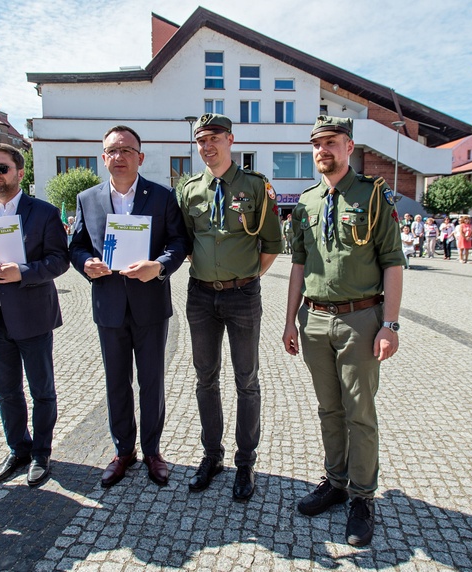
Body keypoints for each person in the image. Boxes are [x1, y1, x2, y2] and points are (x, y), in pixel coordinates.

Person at [282, 116, 404, 547]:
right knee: (329, 410)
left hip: (360, 319)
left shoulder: (372, 197)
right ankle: (335, 482)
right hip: (314, 320)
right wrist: (289, 319)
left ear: (349, 147)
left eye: (331, 143)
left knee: (359, 411)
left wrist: (389, 324)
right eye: (317, 144)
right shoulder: (307, 202)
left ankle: (362, 497)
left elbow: (392, 262)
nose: (323, 151)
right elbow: (298, 263)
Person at [69, 126, 188, 488]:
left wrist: (160, 266)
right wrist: (85, 263)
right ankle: (124, 451)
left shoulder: (162, 196)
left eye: (126, 150)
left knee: (151, 381)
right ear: (103, 157)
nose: (118, 156)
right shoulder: (87, 198)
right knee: (117, 382)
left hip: (150, 303)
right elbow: (76, 246)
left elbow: (178, 242)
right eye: (111, 150)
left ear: (140, 156)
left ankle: (152, 451)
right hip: (109, 304)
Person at [177, 113, 282, 501]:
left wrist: (245, 277)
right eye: (201, 140)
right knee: (205, 378)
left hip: (242, 296)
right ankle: (211, 456)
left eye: (214, 138)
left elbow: (272, 244)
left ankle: (246, 462)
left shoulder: (255, 187)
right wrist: (211, 271)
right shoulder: (188, 189)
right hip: (201, 295)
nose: (207, 146)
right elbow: (186, 242)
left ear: (231, 140)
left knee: (246, 380)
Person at [0, 143, 70, 488]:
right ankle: (17, 449)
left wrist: (24, 272)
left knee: (41, 390)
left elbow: (58, 260)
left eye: (1, 168)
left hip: (33, 314)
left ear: (20, 173)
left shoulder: (44, 213)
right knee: (6, 391)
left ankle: (41, 452)